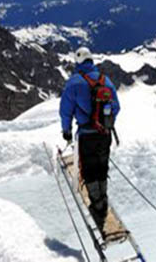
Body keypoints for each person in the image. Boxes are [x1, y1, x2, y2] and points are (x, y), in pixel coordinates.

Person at [60, 47, 120, 237]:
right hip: (105, 134)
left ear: (78, 62)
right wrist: (106, 123)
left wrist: (67, 131)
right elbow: (116, 107)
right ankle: (103, 198)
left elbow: (65, 111)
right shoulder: (105, 80)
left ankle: (97, 204)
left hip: (87, 135)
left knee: (89, 169)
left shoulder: (74, 83)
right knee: (102, 167)